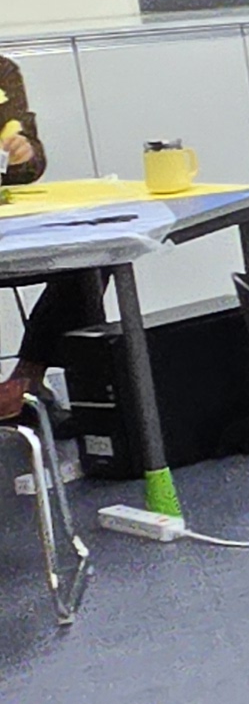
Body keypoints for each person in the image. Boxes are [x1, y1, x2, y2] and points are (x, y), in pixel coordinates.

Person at [0, 51, 95, 428]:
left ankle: (27, 381)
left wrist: (23, 154)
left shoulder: (3, 71)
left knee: (90, 255)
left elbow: (32, 167)